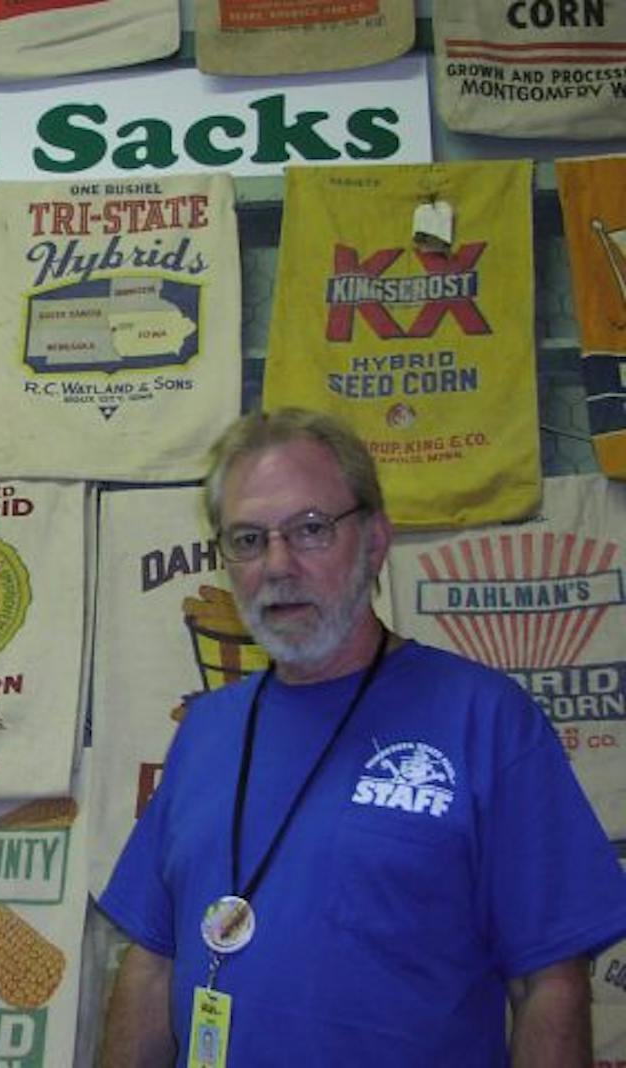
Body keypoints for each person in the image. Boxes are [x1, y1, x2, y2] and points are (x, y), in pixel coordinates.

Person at [98, 407, 626, 1067]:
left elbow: (549, 982)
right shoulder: (207, 729)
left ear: (375, 541)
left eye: (311, 530)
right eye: (248, 539)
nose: (278, 564)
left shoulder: (484, 719)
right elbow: (152, 963)